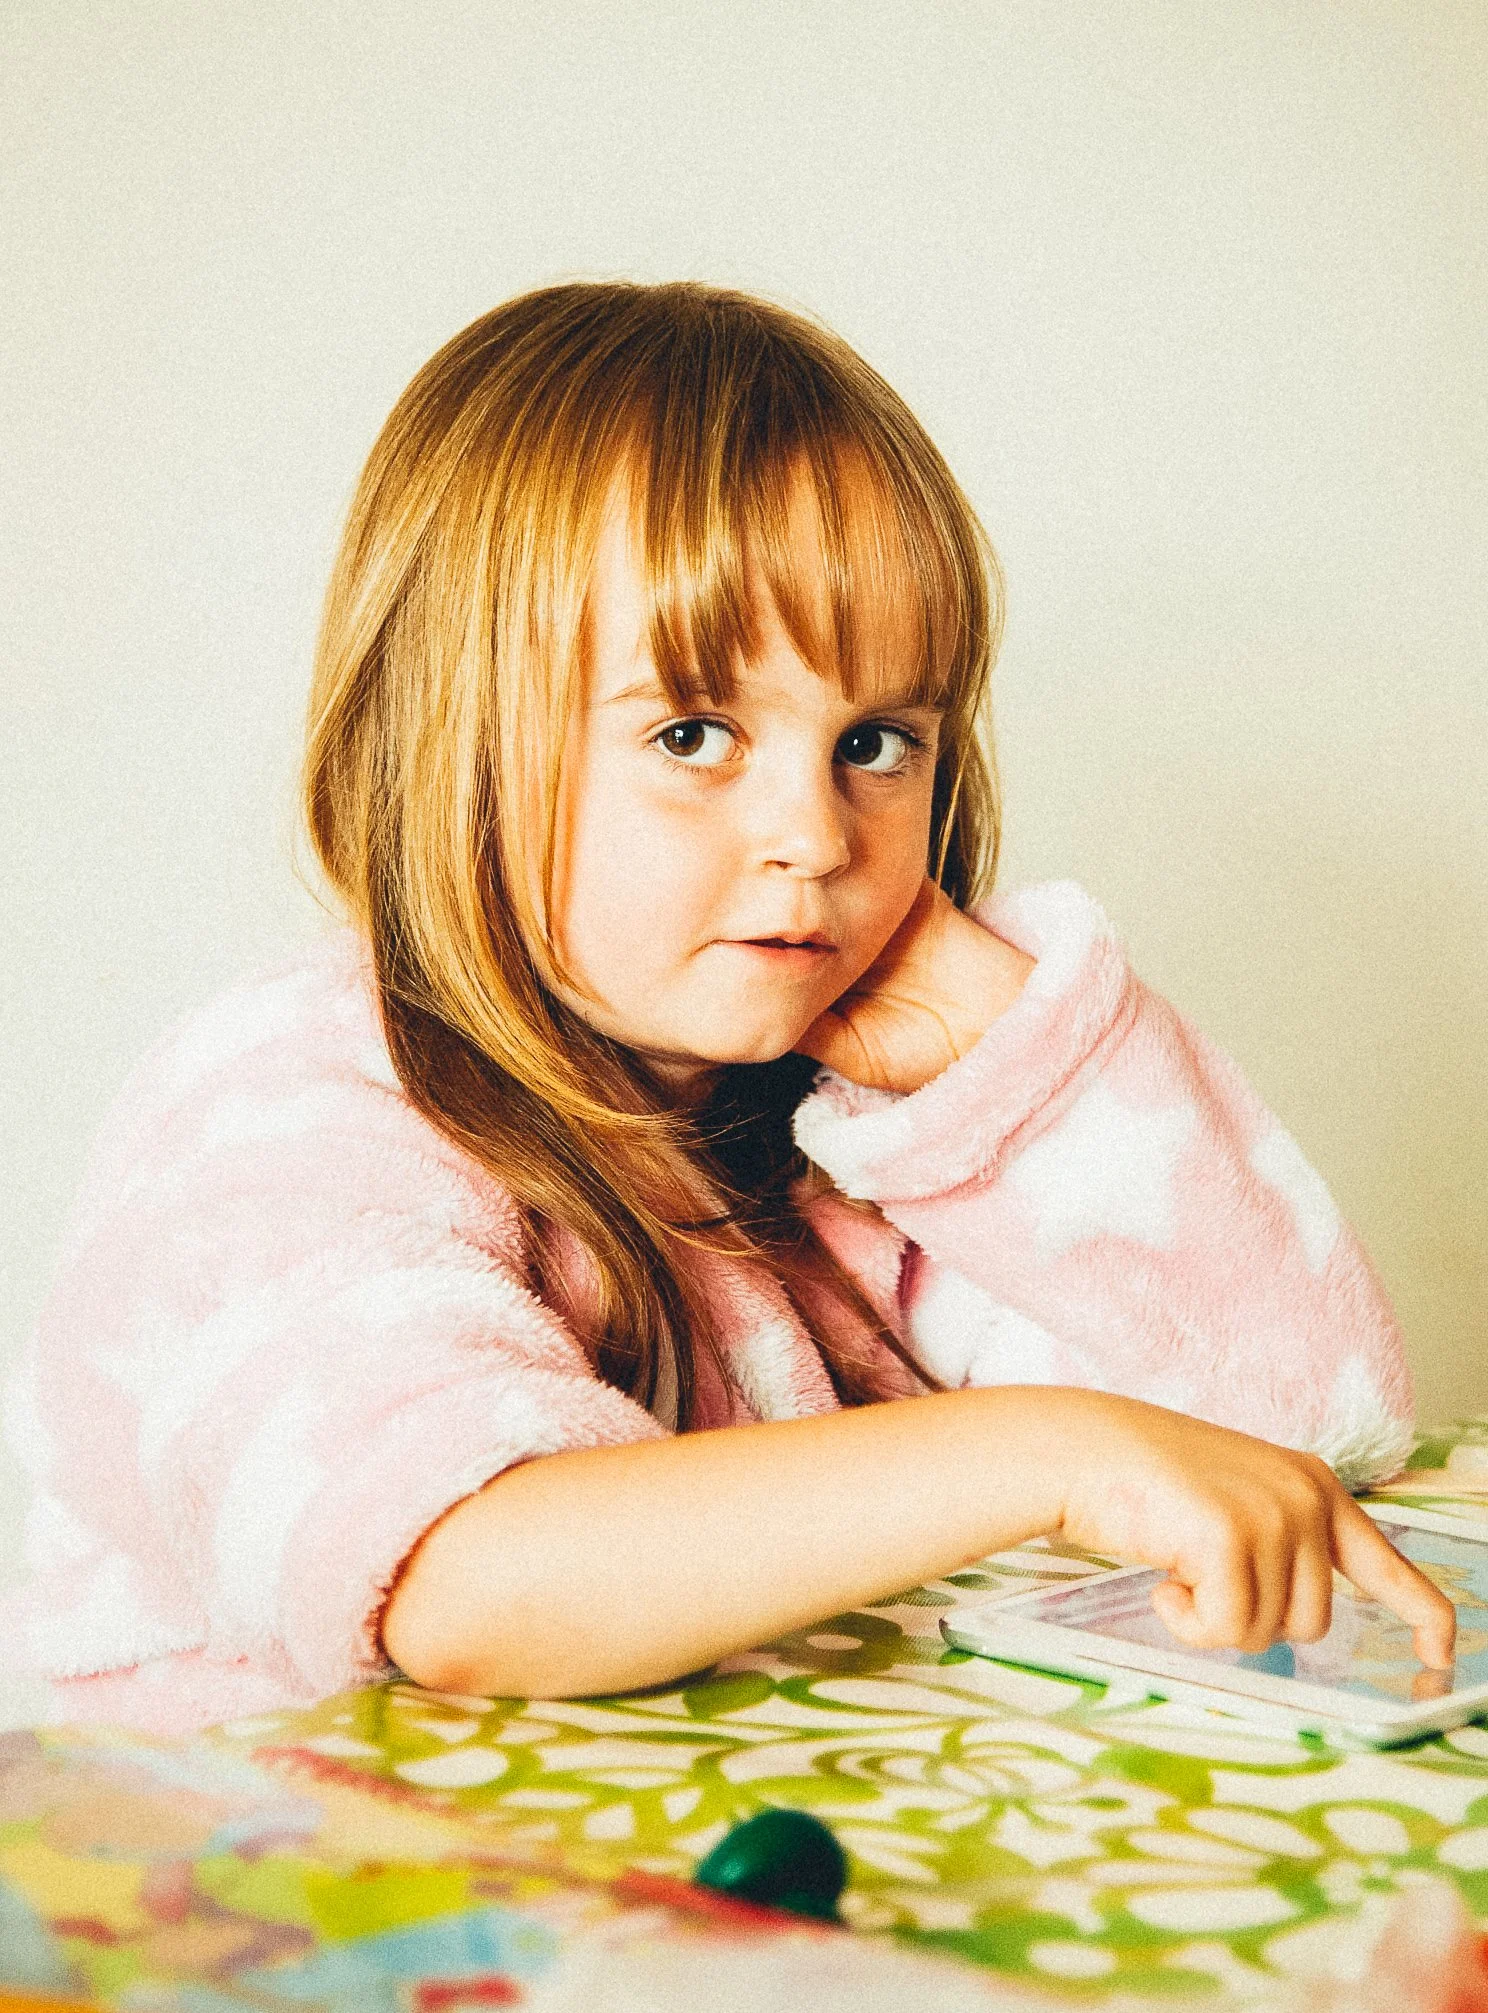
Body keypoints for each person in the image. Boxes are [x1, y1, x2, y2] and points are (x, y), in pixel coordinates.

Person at [3, 282, 1453, 1734]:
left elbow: (1296, 1444)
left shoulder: (833, 1151)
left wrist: (1022, 1085)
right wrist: (1047, 1454)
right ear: (446, 735)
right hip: (254, 1923)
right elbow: (465, 1578)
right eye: (693, 734)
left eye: (876, 742)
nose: (816, 835)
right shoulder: (287, 1110)